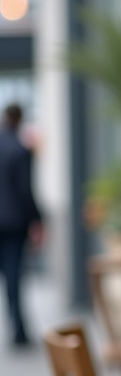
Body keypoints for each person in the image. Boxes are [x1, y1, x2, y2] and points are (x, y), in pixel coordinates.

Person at [0, 103, 43, 347]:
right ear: (19, 120)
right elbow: (25, 190)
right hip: (15, 223)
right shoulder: (20, 149)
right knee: (14, 276)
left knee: (12, 277)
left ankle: (18, 329)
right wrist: (37, 220)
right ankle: (18, 331)